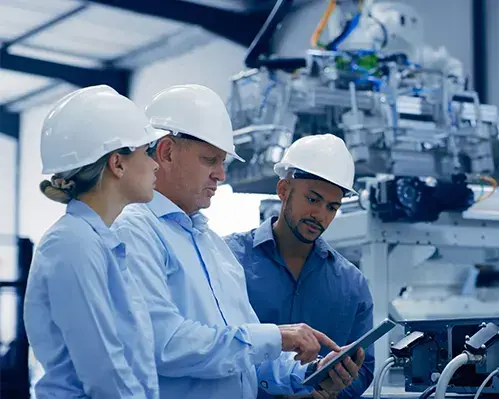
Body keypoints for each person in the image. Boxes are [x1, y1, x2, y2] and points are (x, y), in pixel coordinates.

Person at [112, 84, 365, 399]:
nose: (221, 174)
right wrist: (276, 336)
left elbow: (249, 357)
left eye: (222, 163)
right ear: (166, 152)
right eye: (210, 160)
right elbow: (163, 343)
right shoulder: (134, 232)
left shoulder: (212, 246)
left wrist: (308, 373)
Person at [23, 85, 167, 398]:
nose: (156, 164)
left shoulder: (99, 240)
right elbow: (104, 371)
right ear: (118, 163)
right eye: (147, 152)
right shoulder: (72, 244)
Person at [225, 134, 375, 399]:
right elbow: (216, 344)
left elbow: (364, 369)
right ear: (283, 190)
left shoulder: (352, 285)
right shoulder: (227, 259)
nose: (321, 215)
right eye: (313, 200)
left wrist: (331, 389)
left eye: (332, 207)